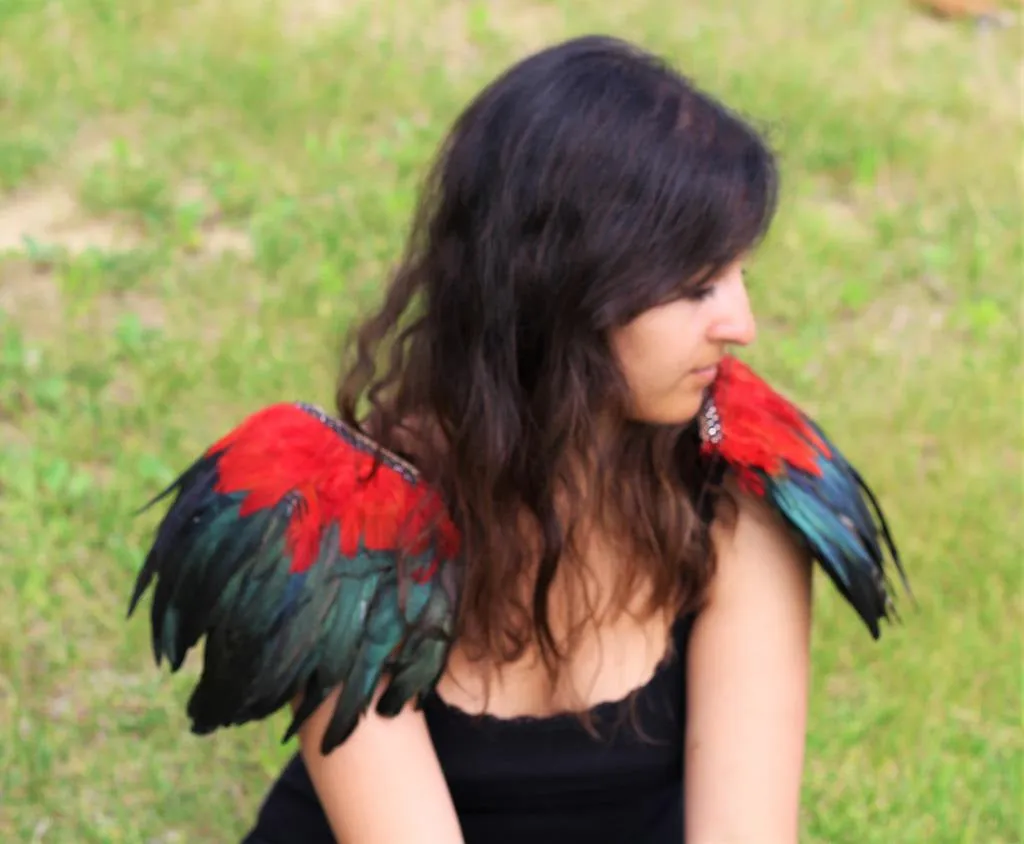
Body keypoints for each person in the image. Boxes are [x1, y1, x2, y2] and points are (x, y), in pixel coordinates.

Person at [129, 34, 905, 844]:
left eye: (741, 274)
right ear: (564, 288)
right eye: (695, 286)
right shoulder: (344, 522)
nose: (741, 325)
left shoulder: (738, 479)